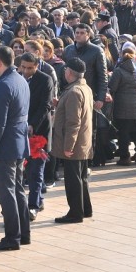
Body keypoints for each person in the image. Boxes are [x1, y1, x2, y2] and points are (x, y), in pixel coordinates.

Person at [0, 46, 31, 250]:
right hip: (19, 142)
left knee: (7, 192)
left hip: (6, 145)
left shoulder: (3, 84)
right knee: (18, 189)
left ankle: (12, 237)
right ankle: (24, 234)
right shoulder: (20, 79)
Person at [52, 58, 94, 223]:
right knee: (81, 178)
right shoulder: (84, 88)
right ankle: (85, 209)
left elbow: (73, 122)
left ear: (69, 72)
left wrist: (68, 146)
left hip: (74, 144)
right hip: (83, 142)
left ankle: (75, 212)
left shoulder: (73, 92)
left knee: (73, 180)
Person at [22, 53, 55, 220]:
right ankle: (33, 200)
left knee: (36, 170)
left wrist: (32, 124)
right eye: (24, 67)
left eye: (30, 68)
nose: (26, 71)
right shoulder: (17, 78)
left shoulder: (45, 80)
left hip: (38, 131)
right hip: (19, 131)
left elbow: (45, 106)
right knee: (24, 171)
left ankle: (33, 205)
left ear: (37, 65)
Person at [108, 43, 136, 166]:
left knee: (123, 132)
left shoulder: (119, 70)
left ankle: (125, 156)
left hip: (123, 105)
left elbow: (113, 86)